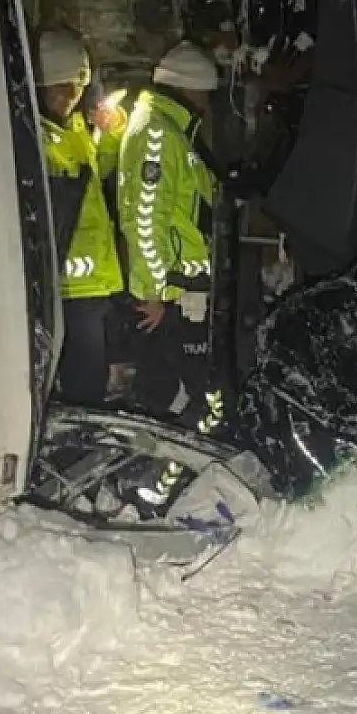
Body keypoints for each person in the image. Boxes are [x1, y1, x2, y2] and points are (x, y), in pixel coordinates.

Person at [115, 40, 222, 427]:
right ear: (190, 90)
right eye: (206, 95)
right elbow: (146, 221)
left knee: (184, 394)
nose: (208, 106)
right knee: (171, 397)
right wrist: (153, 294)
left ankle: (167, 475)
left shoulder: (168, 131)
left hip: (181, 291)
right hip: (168, 298)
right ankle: (156, 478)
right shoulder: (158, 135)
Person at [36, 29, 124, 405]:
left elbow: (99, 170)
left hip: (91, 287)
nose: (69, 97)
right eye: (62, 87)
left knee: (90, 381)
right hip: (67, 291)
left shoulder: (72, 128)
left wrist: (113, 132)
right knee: (79, 388)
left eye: (75, 87)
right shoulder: (35, 137)